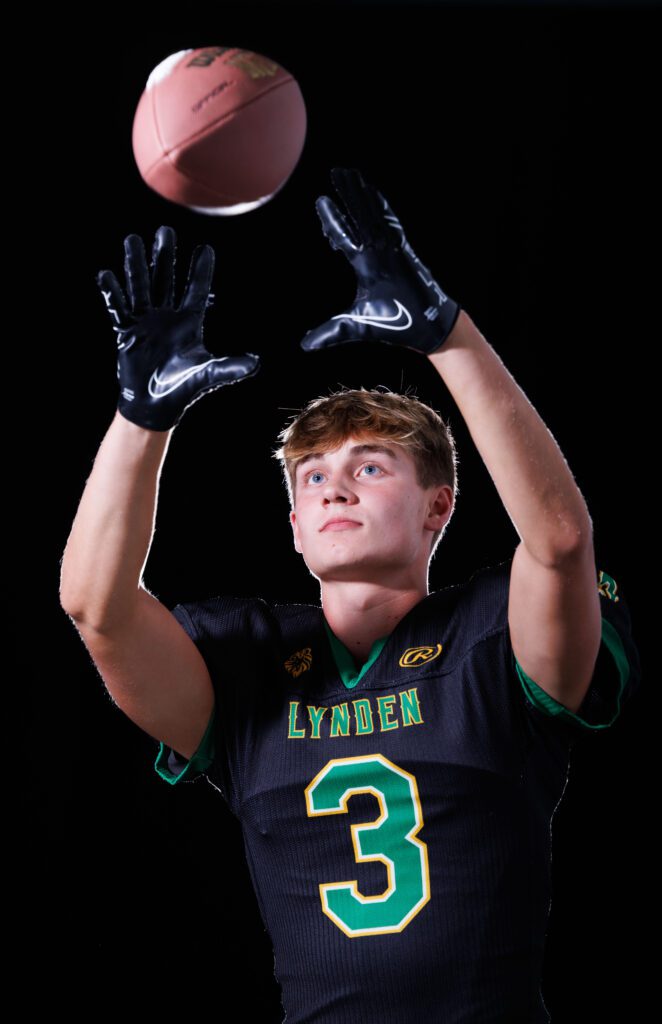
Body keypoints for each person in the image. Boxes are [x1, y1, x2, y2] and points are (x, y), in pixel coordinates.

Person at [60, 168, 640, 1023]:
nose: (336, 489)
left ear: (438, 506)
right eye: (315, 478)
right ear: (293, 525)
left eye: (370, 468)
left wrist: (447, 337)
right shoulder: (246, 662)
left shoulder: (491, 632)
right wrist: (140, 420)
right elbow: (94, 606)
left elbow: (557, 542)